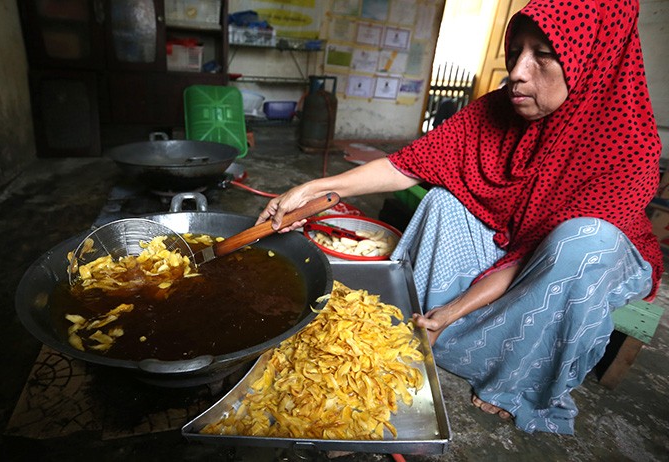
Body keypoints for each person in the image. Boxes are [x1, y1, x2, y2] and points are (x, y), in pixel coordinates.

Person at [256, 0, 662, 435]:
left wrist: (454, 309)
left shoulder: (630, 146)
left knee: (583, 244)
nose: (519, 72)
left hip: (589, 254)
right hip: (517, 237)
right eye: (516, 52)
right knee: (443, 202)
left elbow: (534, 256)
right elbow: (407, 165)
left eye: (543, 55)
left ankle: (515, 381)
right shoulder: (498, 109)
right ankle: (429, 323)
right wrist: (314, 189)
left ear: (592, 61)